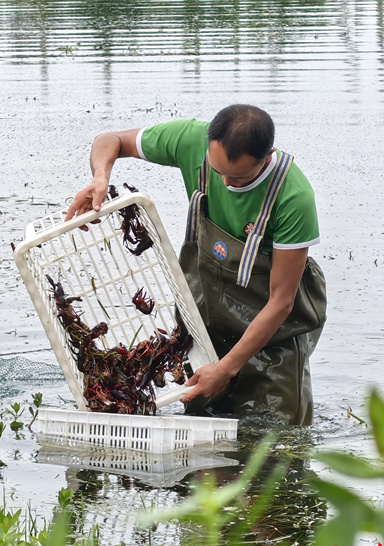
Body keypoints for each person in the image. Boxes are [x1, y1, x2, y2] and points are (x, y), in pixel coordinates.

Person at [66, 104, 326, 426]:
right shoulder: (191, 140)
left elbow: (281, 302)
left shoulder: (293, 197)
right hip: (206, 326)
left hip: (274, 339)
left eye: (239, 178)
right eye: (217, 171)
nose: (226, 183)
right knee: (202, 427)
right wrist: (100, 177)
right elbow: (111, 140)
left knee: (273, 438)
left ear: (267, 156)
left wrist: (225, 369)